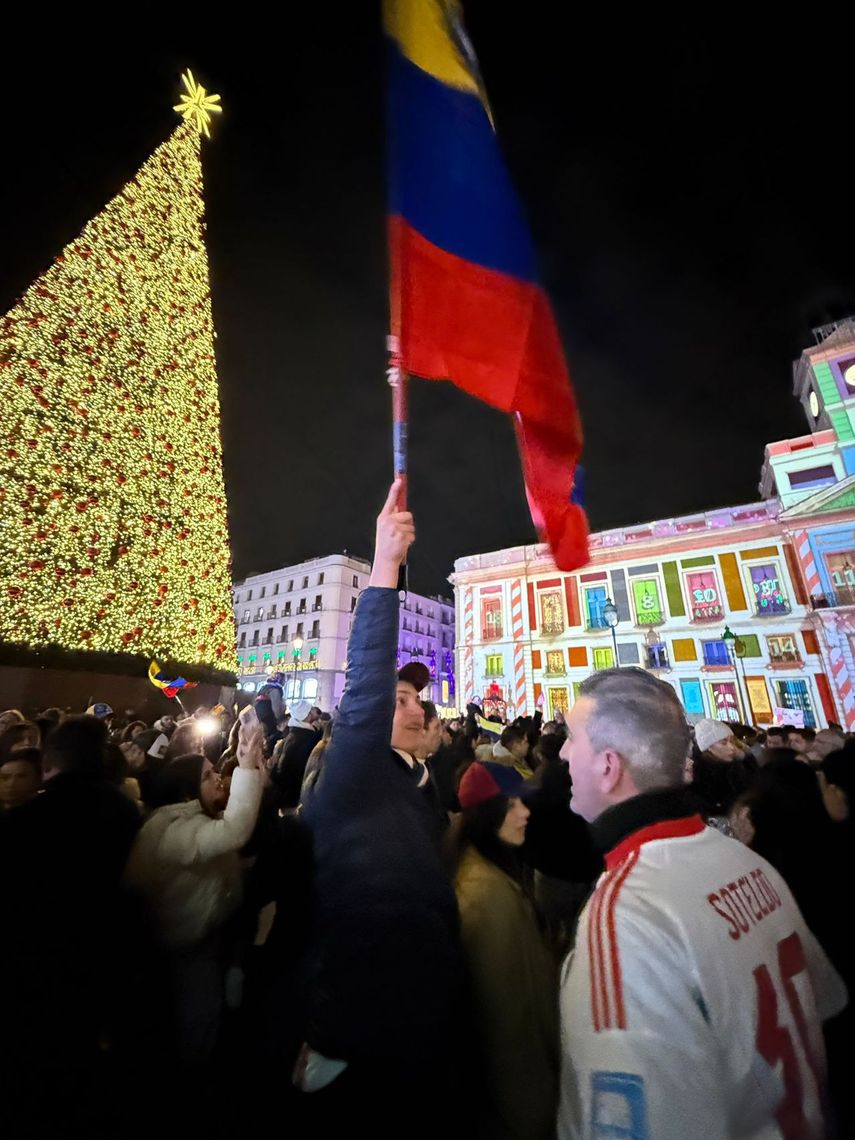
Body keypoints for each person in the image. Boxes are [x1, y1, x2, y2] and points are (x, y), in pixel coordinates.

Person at [558, 668, 846, 1140]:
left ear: (608, 766)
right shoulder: (748, 863)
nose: (564, 753)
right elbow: (824, 1004)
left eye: (572, 739)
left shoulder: (625, 916)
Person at [296, 482, 463, 1138]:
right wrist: (386, 565)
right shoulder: (353, 775)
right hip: (356, 1040)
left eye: (416, 698)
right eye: (401, 698)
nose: (416, 705)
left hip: (420, 1030)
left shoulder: (416, 785)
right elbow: (365, 681)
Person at [124, 713, 265, 1064]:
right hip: (186, 948)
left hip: (200, 941)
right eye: (207, 776)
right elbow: (234, 831)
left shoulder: (189, 821)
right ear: (187, 791)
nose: (218, 779)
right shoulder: (174, 830)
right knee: (195, 1021)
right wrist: (246, 765)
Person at [450, 761, 559, 1140]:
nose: (525, 812)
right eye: (512, 804)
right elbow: (507, 1022)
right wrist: (535, 1113)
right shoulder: (485, 896)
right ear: (487, 814)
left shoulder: (490, 875)